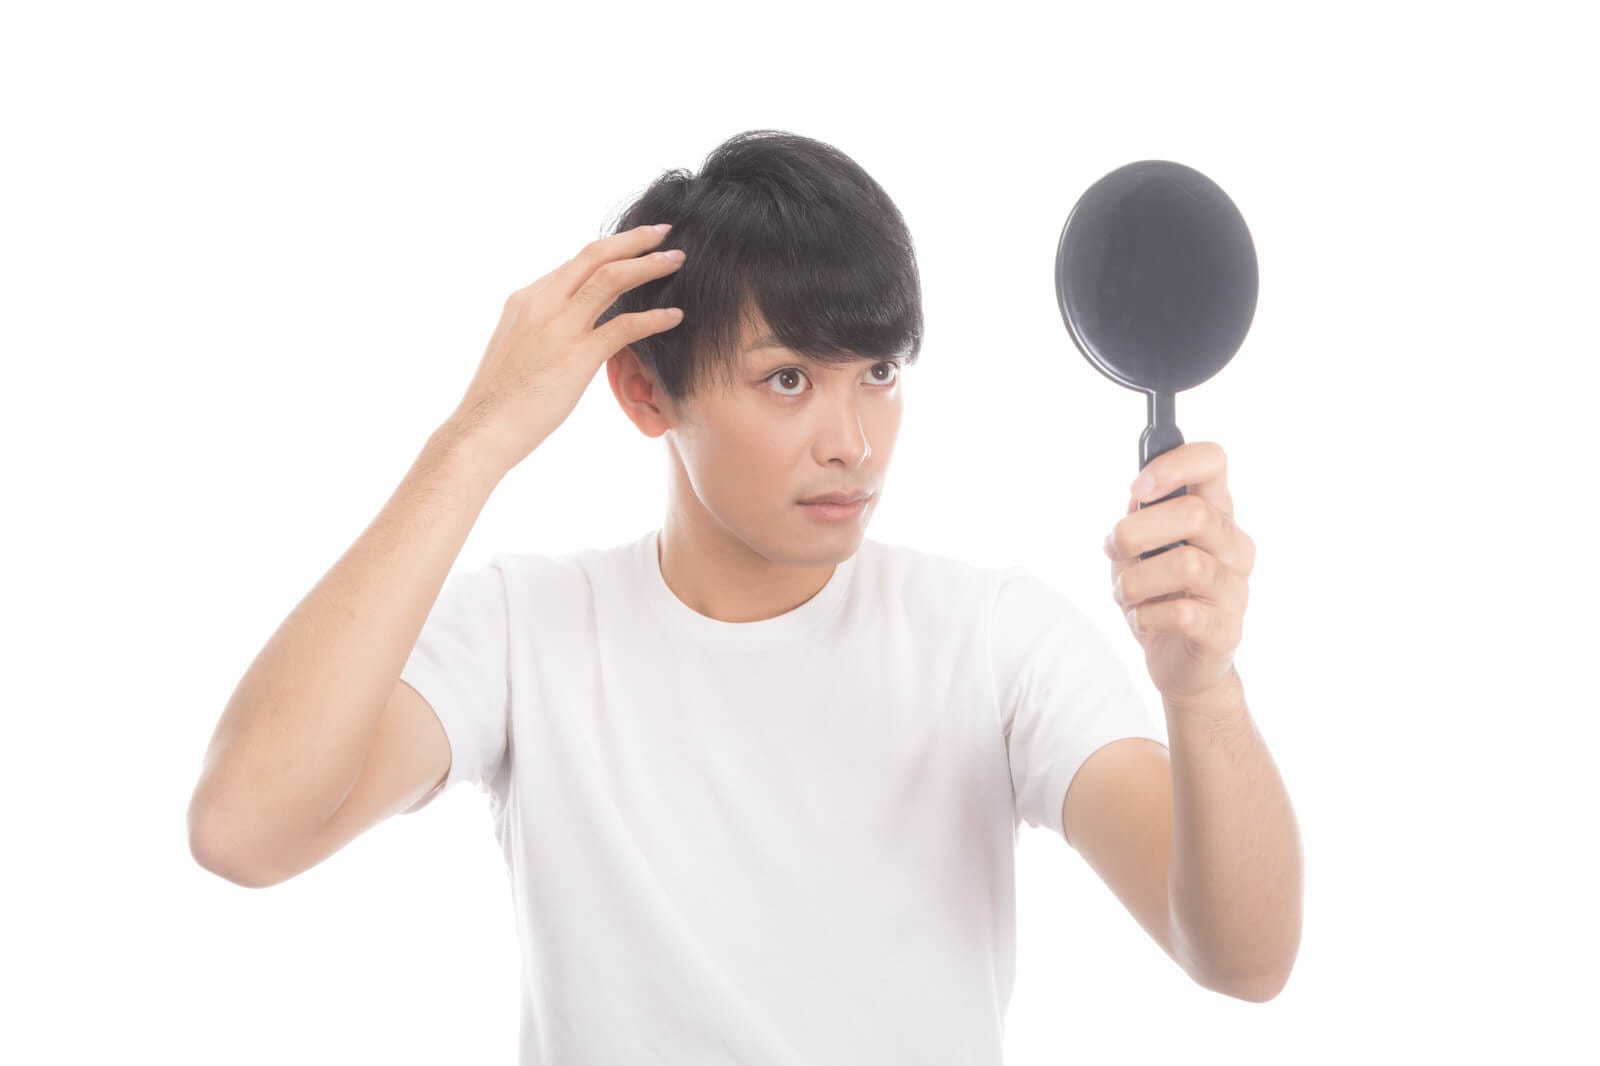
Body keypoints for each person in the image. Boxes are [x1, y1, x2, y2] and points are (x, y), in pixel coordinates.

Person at [187, 129, 1299, 1063]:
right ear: (643, 393)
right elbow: (244, 828)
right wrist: (475, 440)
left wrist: (1201, 688)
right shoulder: (526, 634)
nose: (853, 441)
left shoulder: (993, 640)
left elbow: (1244, 959)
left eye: (878, 372)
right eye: (788, 379)